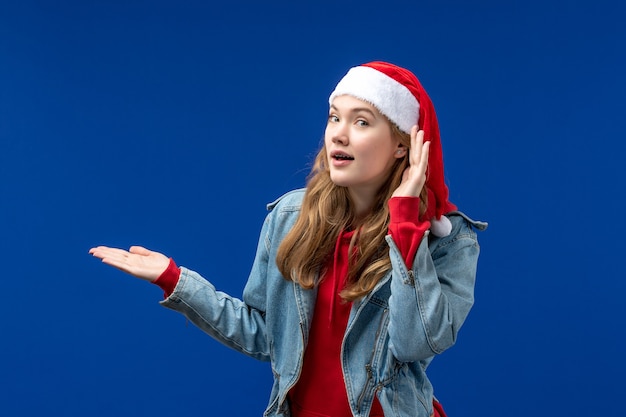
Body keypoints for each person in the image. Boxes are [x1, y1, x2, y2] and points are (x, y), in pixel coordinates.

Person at [90, 61, 487, 417]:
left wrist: (404, 226)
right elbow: (264, 335)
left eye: (361, 122)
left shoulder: (446, 241)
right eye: (334, 118)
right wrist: (175, 280)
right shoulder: (291, 218)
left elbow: (415, 343)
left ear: (403, 145)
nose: (340, 135)